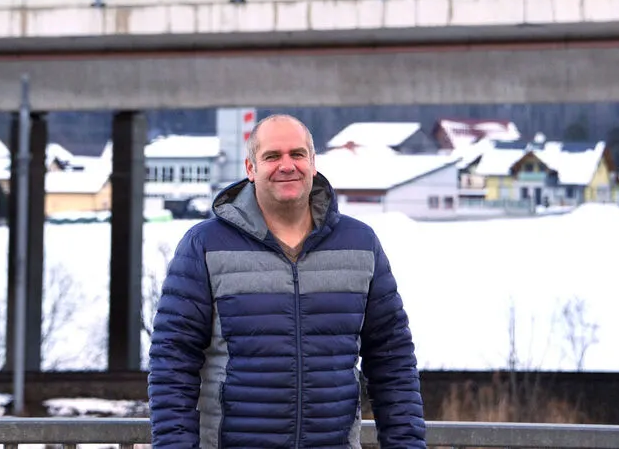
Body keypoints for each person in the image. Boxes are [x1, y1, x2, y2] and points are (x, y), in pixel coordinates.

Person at [148, 113, 426, 449]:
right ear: (251, 168)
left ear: (313, 163)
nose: (287, 165)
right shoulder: (205, 245)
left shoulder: (360, 244)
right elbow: (172, 362)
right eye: (272, 156)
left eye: (297, 154)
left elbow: (392, 360)